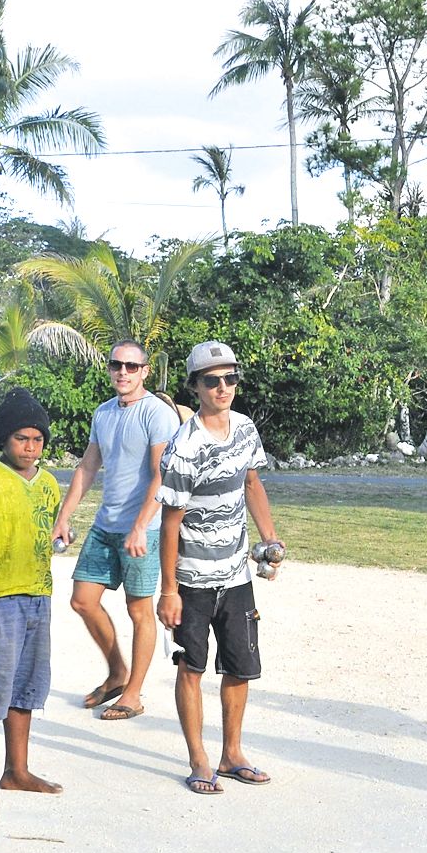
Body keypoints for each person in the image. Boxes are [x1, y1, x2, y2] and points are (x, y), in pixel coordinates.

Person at [156, 341, 283, 795]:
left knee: (240, 666)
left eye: (230, 378)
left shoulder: (246, 430)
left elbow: (252, 482)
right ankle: (199, 759)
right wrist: (167, 590)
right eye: (213, 380)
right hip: (192, 580)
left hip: (236, 577)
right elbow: (168, 524)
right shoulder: (184, 447)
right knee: (191, 667)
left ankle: (232, 754)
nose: (223, 387)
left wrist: (270, 540)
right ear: (196, 385)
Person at [51, 339, 179, 721]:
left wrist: (140, 527)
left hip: (145, 527)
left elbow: (162, 474)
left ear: (144, 371)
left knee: (139, 609)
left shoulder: (157, 414)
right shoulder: (103, 412)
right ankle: (117, 672)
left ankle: (134, 694)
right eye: (116, 365)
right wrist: (64, 516)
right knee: (82, 600)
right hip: (106, 524)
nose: (122, 372)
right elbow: (88, 467)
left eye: (131, 366)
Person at [0, 388, 63, 806]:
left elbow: (49, 527)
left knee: (26, 688)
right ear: (4, 438)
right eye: (21, 438)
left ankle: (16, 770)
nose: (30, 446)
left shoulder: (50, 484)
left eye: (37, 439)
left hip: (38, 595)